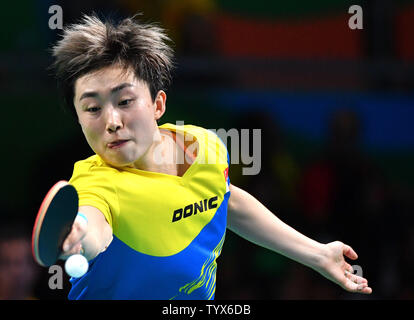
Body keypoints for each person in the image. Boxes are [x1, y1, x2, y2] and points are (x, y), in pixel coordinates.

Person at [51, 14, 372, 299]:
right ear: (79, 118)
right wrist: (79, 235)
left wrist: (317, 254)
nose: (112, 122)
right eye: (92, 108)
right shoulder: (95, 183)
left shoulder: (202, 145)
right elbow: (92, 224)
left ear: (158, 104)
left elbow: (225, 199)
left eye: (124, 101)